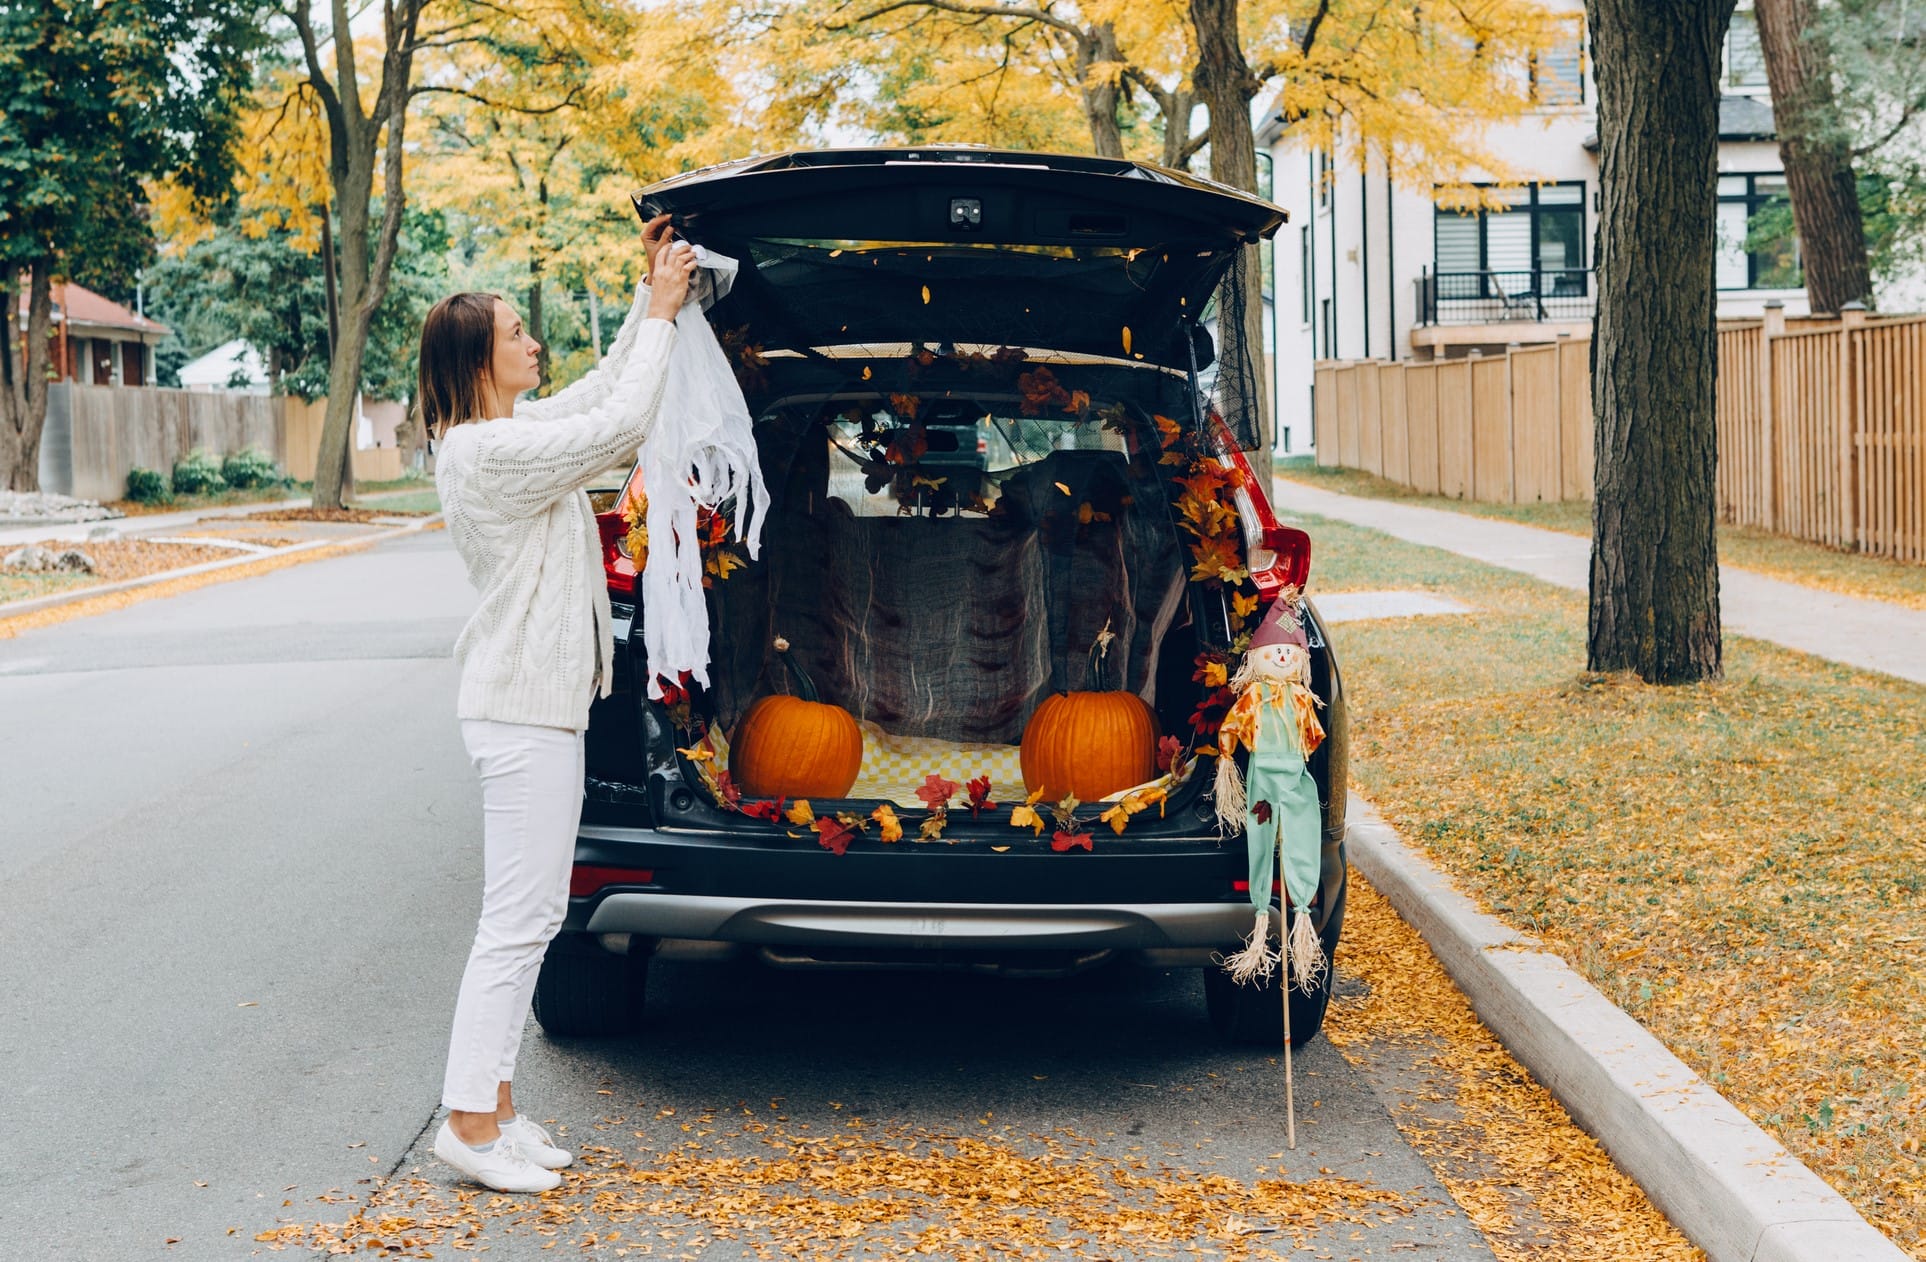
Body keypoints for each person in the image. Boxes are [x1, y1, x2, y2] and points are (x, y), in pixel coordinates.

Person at [415, 215, 698, 1193]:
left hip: (540, 706)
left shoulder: (503, 434)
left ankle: (494, 1108)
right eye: (515, 333)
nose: (534, 342)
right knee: (517, 919)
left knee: (530, 914)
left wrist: (641, 297)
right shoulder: (482, 454)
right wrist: (662, 311)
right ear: (479, 360)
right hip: (521, 711)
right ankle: (465, 1122)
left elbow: (596, 394)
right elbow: (618, 428)